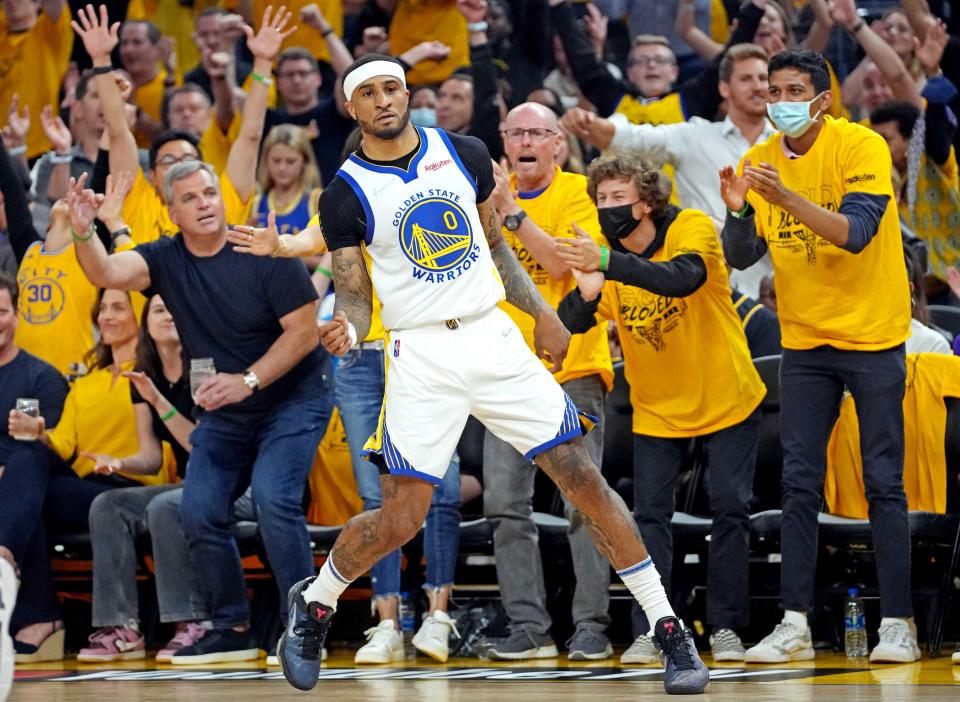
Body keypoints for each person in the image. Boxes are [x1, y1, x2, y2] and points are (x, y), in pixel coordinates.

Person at [275, 53, 708, 696]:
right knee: (400, 520)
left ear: (406, 94)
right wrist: (347, 324)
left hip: (492, 336)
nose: (386, 99)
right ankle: (315, 606)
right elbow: (355, 288)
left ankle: (670, 630)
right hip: (420, 354)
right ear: (352, 107)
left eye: (394, 87)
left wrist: (542, 317)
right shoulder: (344, 194)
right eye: (370, 93)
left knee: (582, 479)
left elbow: (495, 245)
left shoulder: (468, 152)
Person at [68, 130, 331, 670]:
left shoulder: (260, 247)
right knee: (198, 506)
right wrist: (82, 232)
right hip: (230, 408)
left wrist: (250, 380)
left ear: (221, 197)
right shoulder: (164, 258)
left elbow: (304, 331)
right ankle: (231, 624)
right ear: (172, 214)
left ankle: (303, 624)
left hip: (293, 398)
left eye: (208, 193)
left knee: (276, 500)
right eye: (189, 199)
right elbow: (106, 272)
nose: (203, 204)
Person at [721, 48, 916, 664]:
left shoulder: (861, 147)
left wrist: (784, 198)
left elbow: (856, 235)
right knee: (798, 483)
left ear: (822, 99)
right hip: (804, 341)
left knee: (883, 482)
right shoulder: (758, 161)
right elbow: (743, 255)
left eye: (794, 89)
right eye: (773, 88)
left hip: (873, 336)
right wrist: (735, 211)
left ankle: (899, 625)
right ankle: (794, 623)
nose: (779, 99)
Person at [556, 154, 765, 664]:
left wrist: (605, 264)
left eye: (618, 198)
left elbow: (683, 277)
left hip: (726, 394)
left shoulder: (690, 225)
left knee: (730, 511)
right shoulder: (606, 253)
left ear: (646, 202)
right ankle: (655, 628)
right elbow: (570, 322)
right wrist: (585, 298)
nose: (608, 209)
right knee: (648, 517)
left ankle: (726, 629)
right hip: (657, 407)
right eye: (601, 199)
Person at [229, 215, 464, 665]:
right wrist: (279, 244)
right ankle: (388, 622)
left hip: (424, 353)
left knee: (441, 487)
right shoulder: (346, 201)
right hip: (358, 362)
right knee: (375, 494)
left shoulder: (423, 197)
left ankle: (438, 616)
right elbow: (308, 240)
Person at [480, 102, 614, 662]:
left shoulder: (581, 193)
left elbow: (564, 267)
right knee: (503, 503)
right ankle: (529, 628)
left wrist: (511, 215)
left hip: (573, 371)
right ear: (505, 143)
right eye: (516, 133)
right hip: (502, 374)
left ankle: (592, 627)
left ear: (558, 143)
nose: (526, 141)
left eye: (538, 132)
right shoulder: (479, 199)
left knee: (583, 503)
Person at [4, 284, 168, 663]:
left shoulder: (150, 375)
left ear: (138, 318)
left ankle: (32, 604)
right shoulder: (86, 382)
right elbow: (64, 444)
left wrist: (118, 461)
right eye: (102, 308)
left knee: (28, 492)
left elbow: (155, 456)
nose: (106, 316)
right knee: (29, 460)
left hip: (131, 488)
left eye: (118, 308)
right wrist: (41, 432)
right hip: (84, 489)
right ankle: (29, 598)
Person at [560, 42, 776, 297]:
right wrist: (590, 124)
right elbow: (633, 138)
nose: (758, 86)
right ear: (723, 88)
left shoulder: (784, 146)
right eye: (746, 78)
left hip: (775, 287)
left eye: (763, 79)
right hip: (701, 285)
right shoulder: (694, 135)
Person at [72, 4, 275, 246]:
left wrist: (263, 62)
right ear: (152, 175)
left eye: (188, 159)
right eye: (168, 161)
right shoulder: (137, 198)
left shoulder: (223, 202)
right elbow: (117, 131)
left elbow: (250, 135)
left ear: (207, 170)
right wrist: (102, 60)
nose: (179, 166)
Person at [75, 294, 196, 661]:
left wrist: (161, 402)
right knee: (108, 504)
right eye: (159, 309)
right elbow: (150, 456)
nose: (168, 315)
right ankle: (121, 628)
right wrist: (119, 462)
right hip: (186, 485)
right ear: (147, 324)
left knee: (165, 505)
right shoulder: (146, 376)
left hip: (227, 480)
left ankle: (190, 621)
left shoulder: (205, 367)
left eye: (174, 307)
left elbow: (202, 446)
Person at [0, 270, 66, 692]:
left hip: (55, 484)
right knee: (26, 509)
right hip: (23, 502)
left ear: (18, 314)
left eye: (2, 311)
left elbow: (56, 452)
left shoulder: (42, 377)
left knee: (27, 459)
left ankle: (3, 561)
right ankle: (41, 616)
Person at [0, 139, 98, 375]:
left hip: (72, 374)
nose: (71, 200)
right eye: (65, 200)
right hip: (22, 375)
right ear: (48, 222)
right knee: (18, 414)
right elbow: (10, 185)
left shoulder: (91, 260)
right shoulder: (29, 250)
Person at [0, 0, 71, 160]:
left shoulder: (50, 33)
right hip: (3, 147)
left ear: (39, 2)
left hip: (40, 149)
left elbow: (56, 5)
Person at [250, 125, 322, 236]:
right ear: (265, 161)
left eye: (290, 161)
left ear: (305, 161)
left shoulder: (316, 201)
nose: (282, 167)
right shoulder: (256, 203)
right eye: (276, 160)